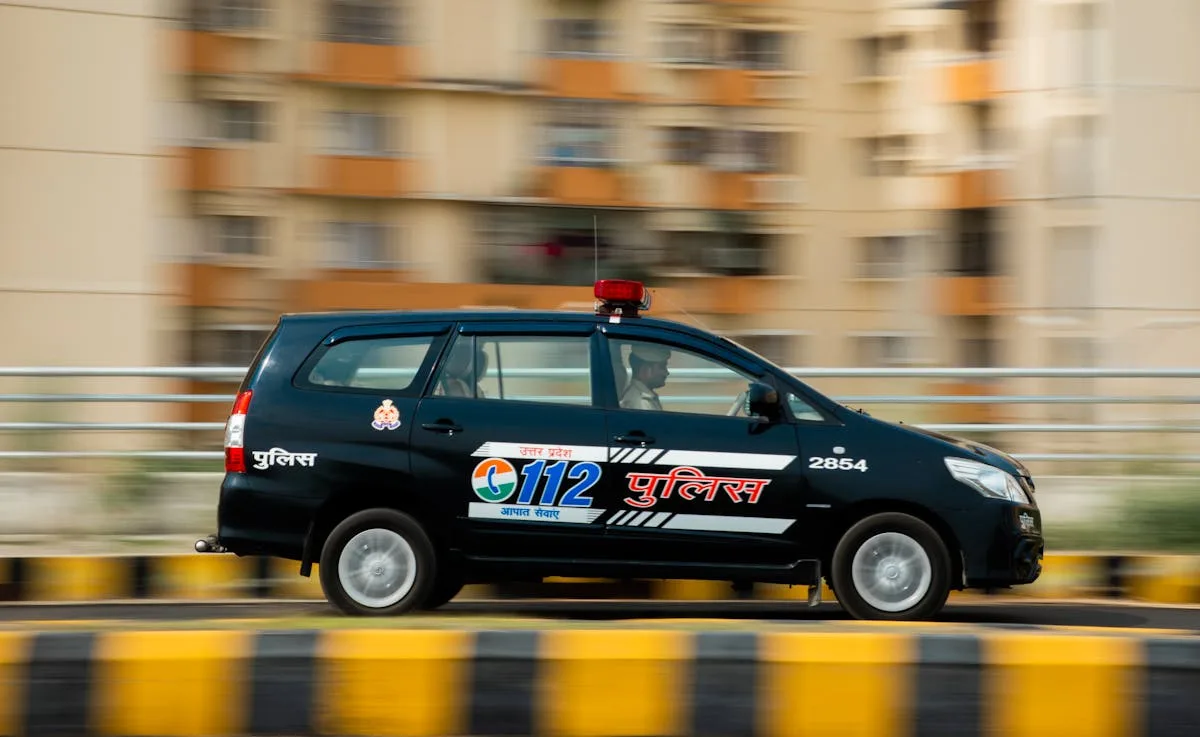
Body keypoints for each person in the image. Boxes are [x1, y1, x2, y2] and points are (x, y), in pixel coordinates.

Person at [619, 343, 670, 411]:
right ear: (645, 370)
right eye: (662, 367)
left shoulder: (643, 397)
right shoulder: (641, 404)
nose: (667, 373)